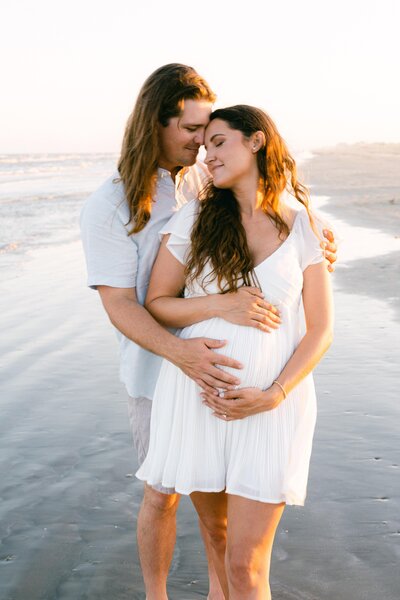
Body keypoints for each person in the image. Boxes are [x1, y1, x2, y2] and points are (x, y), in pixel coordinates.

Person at [80, 64, 337, 599]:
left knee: (233, 548)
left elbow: (265, 200)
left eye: (211, 134)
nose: (202, 145)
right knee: (161, 495)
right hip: (162, 370)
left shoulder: (202, 180)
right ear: (157, 123)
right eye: (194, 131)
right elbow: (125, 305)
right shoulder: (109, 206)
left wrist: (317, 235)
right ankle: (158, 595)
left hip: (246, 385)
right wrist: (184, 354)